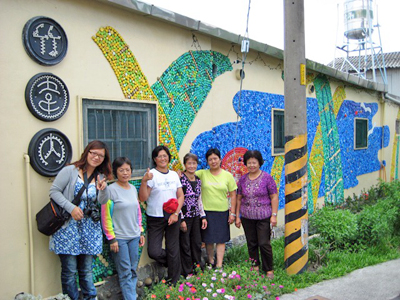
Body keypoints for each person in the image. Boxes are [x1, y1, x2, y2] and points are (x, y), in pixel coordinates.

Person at [49, 140, 112, 300]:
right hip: (68, 228)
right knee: (69, 270)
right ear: (87, 152)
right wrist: (71, 208)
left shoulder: (100, 177)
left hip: (89, 230)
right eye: (93, 153)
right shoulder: (70, 171)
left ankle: (91, 298)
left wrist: (104, 189)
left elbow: (103, 201)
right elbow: (54, 192)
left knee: (86, 270)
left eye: (101, 155)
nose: (96, 157)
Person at [98, 157, 145, 300]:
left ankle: (131, 296)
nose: (125, 173)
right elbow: (105, 216)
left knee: (132, 270)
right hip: (120, 238)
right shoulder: (111, 190)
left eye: (128, 170)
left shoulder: (132, 188)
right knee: (125, 271)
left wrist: (141, 231)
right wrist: (111, 239)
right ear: (115, 172)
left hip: (134, 236)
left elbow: (137, 211)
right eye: (121, 170)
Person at [138, 145, 184, 284]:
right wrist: (144, 181)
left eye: (165, 156)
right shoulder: (152, 174)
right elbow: (143, 198)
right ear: (154, 159)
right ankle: (174, 262)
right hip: (155, 217)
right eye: (159, 156)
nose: (162, 159)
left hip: (173, 216)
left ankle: (174, 282)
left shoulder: (174, 174)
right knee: (154, 251)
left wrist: (176, 214)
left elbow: (180, 196)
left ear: (169, 158)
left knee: (173, 248)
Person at [235, 150, 278, 279]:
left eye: (254, 162)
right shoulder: (242, 180)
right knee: (251, 243)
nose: (251, 165)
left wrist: (274, 215)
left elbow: (274, 197)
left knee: (264, 243)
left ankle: (268, 269)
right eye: (249, 163)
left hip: (263, 217)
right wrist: (237, 216)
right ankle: (255, 267)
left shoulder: (267, 178)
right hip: (247, 217)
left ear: (259, 163)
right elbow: (238, 198)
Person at [196, 148, 237, 269]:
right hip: (206, 212)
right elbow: (188, 174)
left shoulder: (227, 176)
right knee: (208, 239)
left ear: (220, 159)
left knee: (220, 239)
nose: (213, 161)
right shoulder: (202, 174)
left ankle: (219, 264)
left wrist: (232, 213)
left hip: (222, 212)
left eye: (215, 158)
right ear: (207, 161)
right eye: (210, 159)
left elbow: (233, 195)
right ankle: (210, 260)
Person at [179, 153, 207, 276]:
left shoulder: (198, 180)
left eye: (194, 163)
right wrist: (181, 219)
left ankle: (197, 269)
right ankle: (187, 272)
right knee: (185, 245)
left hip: (196, 217)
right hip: (184, 217)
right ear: (185, 165)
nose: (191, 166)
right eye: (189, 163)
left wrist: (203, 216)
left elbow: (199, 199)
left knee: (196, 243)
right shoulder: (180, 180)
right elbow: (177, 200)